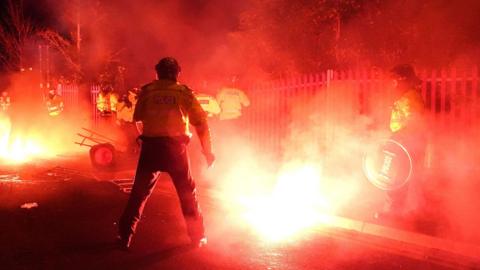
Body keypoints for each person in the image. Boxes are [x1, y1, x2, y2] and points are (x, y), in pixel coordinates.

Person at [118, 57, 215, 249]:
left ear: (157, 73)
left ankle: (124, 236)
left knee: (139, 194)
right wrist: (208, 151)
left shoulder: (147, 92)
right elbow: (201, 123)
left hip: (151, 148)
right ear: (177, 73)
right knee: (187, 193)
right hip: (176, 150)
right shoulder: (183, 93)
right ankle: (197, 237)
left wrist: (140, 139)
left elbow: (136, 120)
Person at [375, 64, 427, 221]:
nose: (392, 85)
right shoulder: (406, 97)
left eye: (394, 81)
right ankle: (405, 212)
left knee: (396, 176)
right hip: (405, 142)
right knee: (402, 176)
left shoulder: (410, 98)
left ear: (402, 81)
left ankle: (394, 212)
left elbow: (414, 123)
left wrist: (395, 139)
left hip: (406, 143)